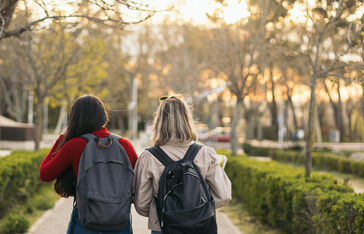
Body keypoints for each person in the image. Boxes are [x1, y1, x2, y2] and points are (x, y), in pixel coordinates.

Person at [133, 95, 232, 234]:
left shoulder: (148, 158)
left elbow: (141, 204)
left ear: (160, 121)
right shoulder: (205, 154)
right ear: (187, 119)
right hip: (200, 225)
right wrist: (197, 209)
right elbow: (223, 196)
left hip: (163, 227)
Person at [39, 95, 138, 234]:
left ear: (75, 118)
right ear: (102, 116)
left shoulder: (74, 145)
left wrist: (62, 138)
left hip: (86, 223)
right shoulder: (124, 145)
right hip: (120, 222)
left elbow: (45, 174)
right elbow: (140, 181)